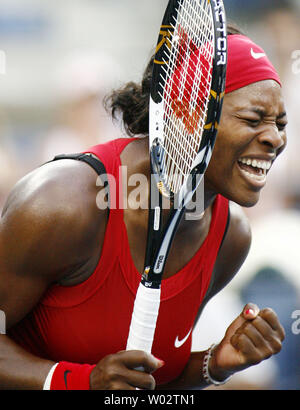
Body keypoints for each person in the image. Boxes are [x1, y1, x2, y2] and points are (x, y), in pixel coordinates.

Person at [0, 25, 287, 390]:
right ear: (185, 116)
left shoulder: (231, 237)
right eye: (252, 119)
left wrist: (214, 364)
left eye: (280, 124)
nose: (275, 138)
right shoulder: (62, 205)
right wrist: (76, 383)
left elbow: (148, 383)